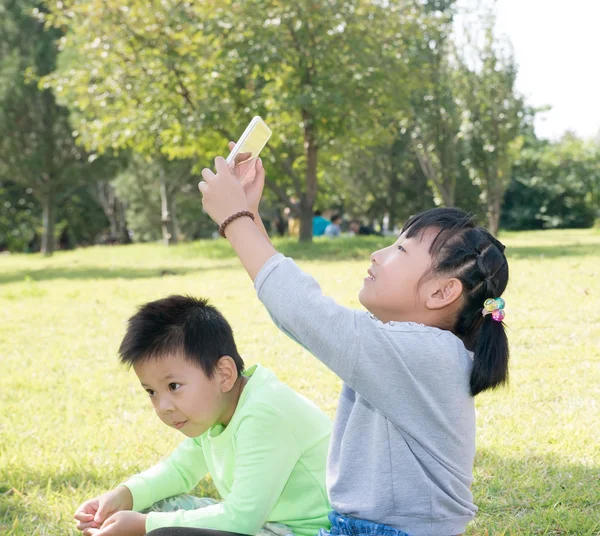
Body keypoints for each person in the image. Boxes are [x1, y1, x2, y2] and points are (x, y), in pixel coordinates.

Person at [197, 153, 510, 536]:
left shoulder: (426, 355)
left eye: (400, 250)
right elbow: (295, 315)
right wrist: (247, 214)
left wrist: (235, 219)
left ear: (443, 292)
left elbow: (301, 311)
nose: (377, 254)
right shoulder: (416, 348)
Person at [73, 295, 332, 536]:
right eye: (151, 391)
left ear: (224, 374)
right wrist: (124, 495)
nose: (163, 406)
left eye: (173, 386)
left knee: (156, 527)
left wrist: (144, 526)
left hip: (311, 531)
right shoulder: (217, 410)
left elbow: (240, 521)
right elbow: (179, 470)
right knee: (148, 507)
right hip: (266, 525)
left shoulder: (263, 414)